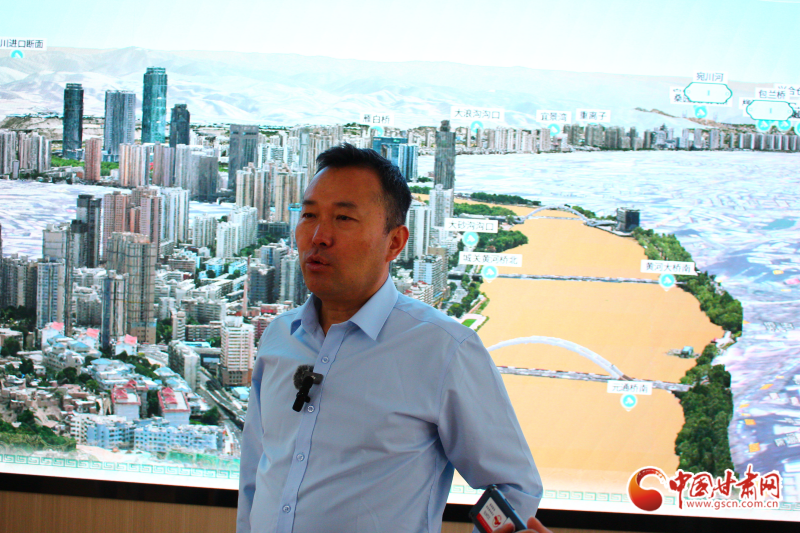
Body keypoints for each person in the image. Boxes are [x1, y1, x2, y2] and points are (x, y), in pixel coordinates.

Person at [237, 143, 544, 533]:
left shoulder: (443, 350)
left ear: (395, 242)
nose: (318, 236)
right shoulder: (279, 337)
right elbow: (256, 470)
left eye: (343, 218)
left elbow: (514, 486)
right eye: (309, 215)